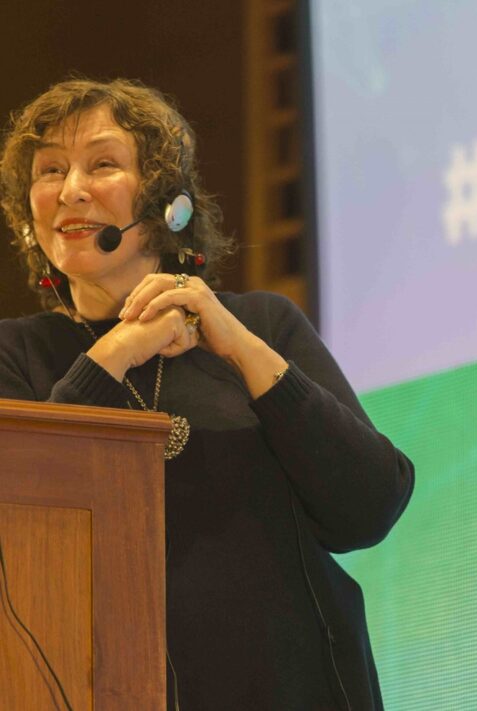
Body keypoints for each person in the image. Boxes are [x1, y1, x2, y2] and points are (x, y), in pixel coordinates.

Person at [0, 78, 414, 710]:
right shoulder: (15, 354)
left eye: (102, 164)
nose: (71, 189)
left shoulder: (263, 324)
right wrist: (117, 351)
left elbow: (369, 506)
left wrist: (240, 346)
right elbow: (24, 525)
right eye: (49, 170)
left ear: (166, 201)